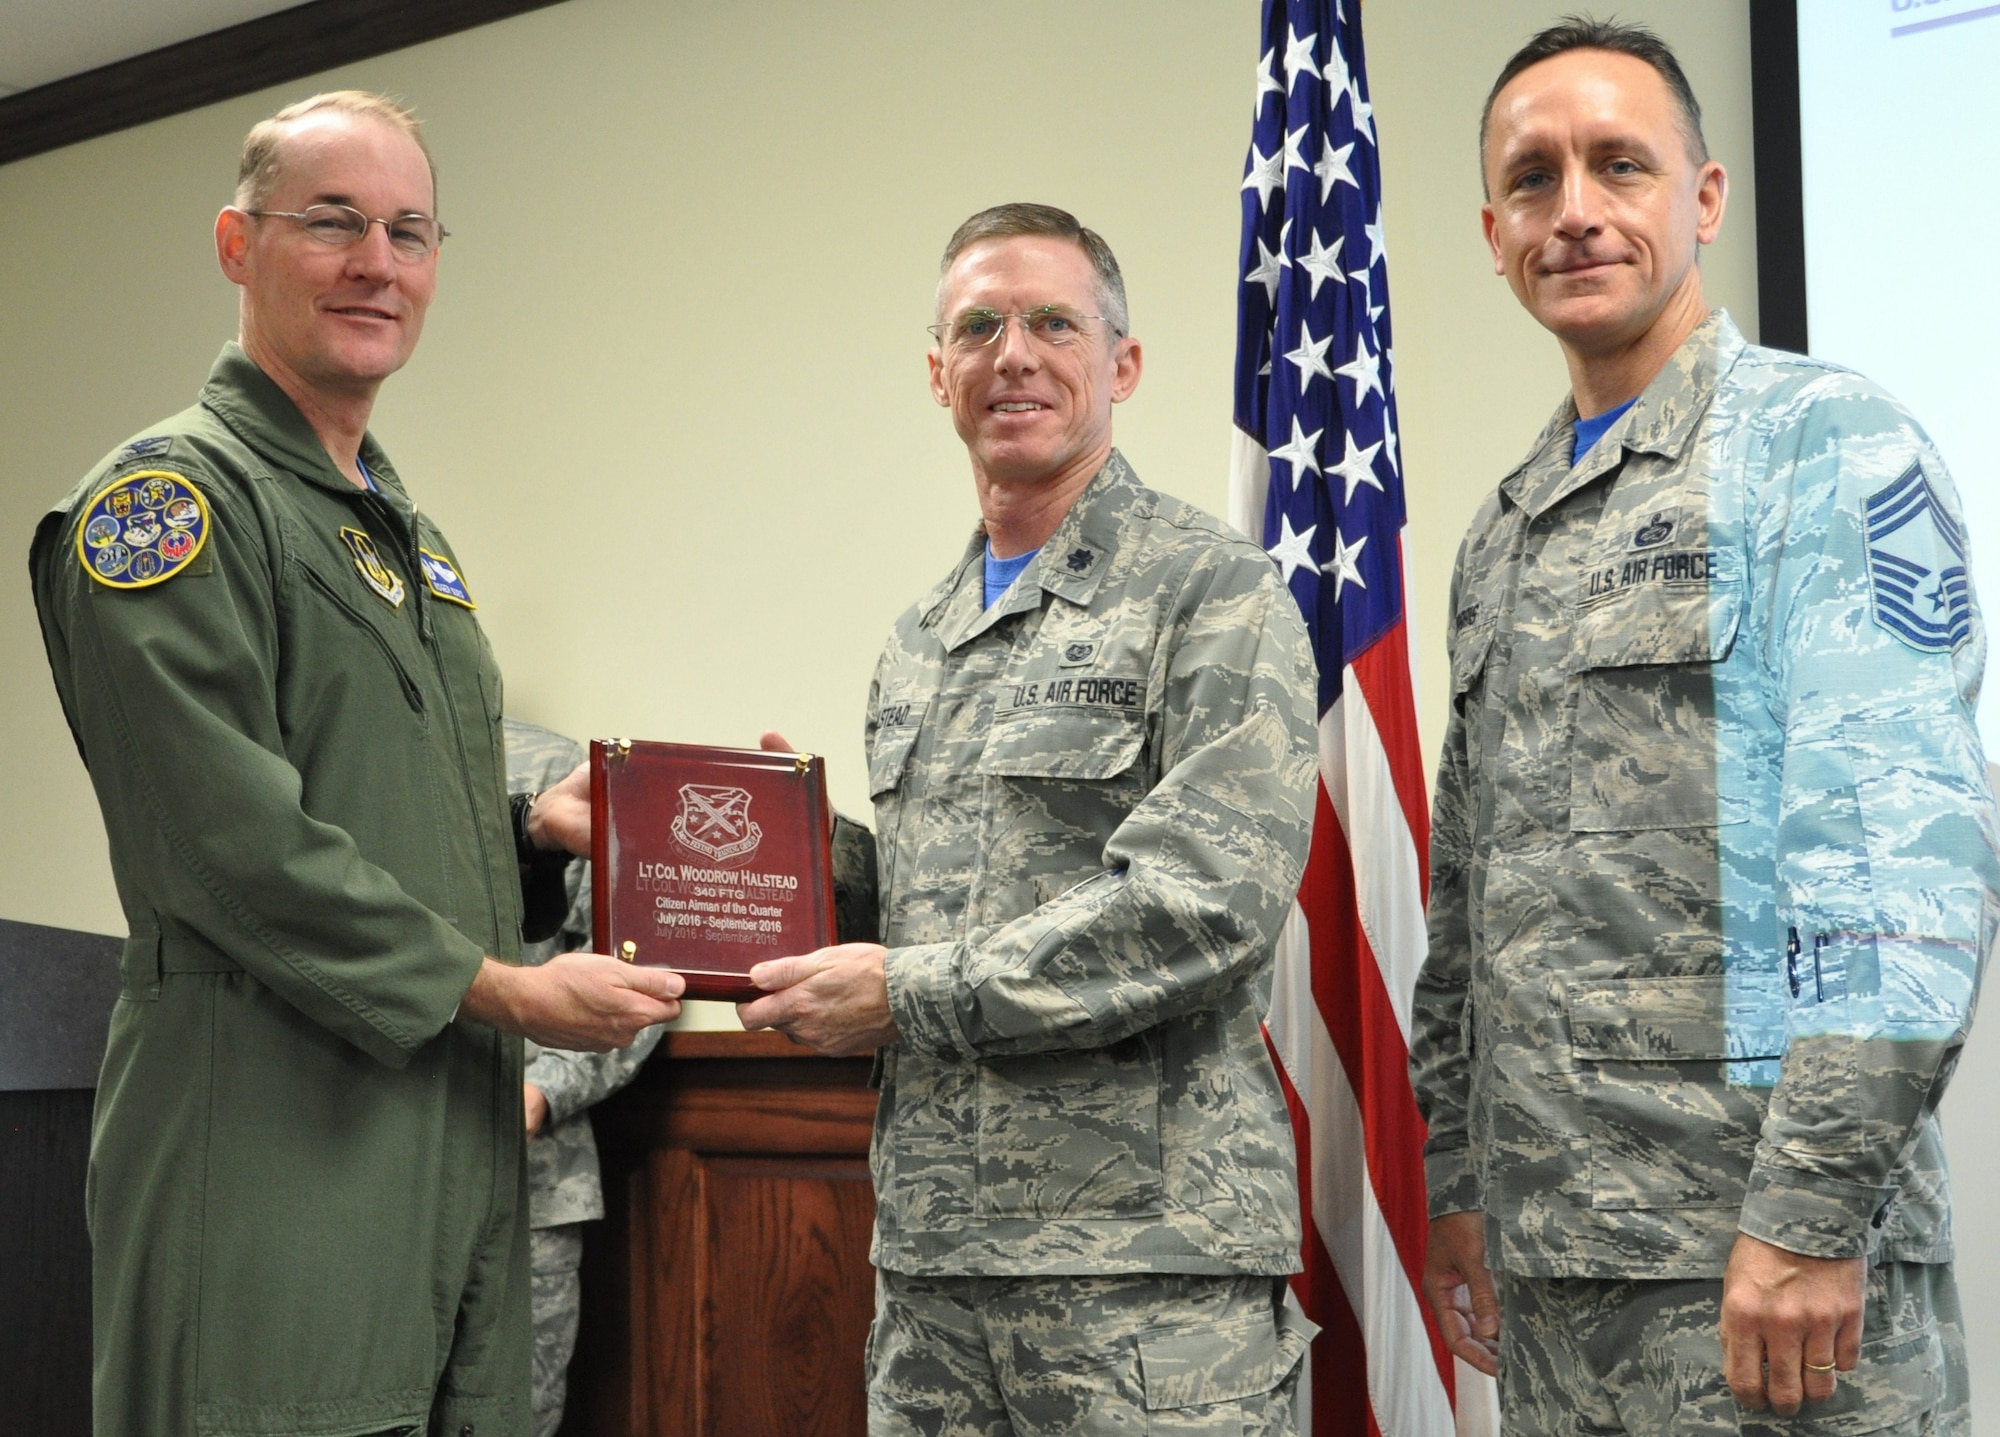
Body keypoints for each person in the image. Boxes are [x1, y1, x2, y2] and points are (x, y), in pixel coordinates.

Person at [29, 92, 683, 1437]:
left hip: (444, 1149)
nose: (376, 261)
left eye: (408, 230)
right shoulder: (167, 506)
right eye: (332, 222)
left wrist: (534, 822)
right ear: (236, 243)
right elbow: (227, 844)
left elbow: (378, 786)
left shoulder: (405, 537)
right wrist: (502, 987)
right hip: (270, 1145)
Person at [1409, 19, 1998, 1435]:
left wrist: (1807, 1210)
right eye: (1535, 180)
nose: (1579, 210)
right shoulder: (1501, 533)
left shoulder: (1825, 445)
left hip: (1763, 1280)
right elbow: (1468, 900)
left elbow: (1900, 853)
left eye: (1621, 164)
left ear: (1706, 199)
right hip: (1561, 1286)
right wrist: (1460, 1179)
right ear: (1494, 232)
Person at [738, 203, 1320, 1435]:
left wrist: (909, 992)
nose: (1015, 353)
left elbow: (1200, 905)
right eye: (979, 326)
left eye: (1054, 322)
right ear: (937, 372)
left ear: (1122, 364)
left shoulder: (1213, 592)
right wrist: (767, 850)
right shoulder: (918, 638)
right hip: (936, 1273)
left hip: (1146, 1283)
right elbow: (927, 902)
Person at [501, 716, 666, 1437]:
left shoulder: (556, 768)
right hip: (363, 1172)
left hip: (529, 1183)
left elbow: (639, 972)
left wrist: (545, 1088)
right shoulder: (341, 763)